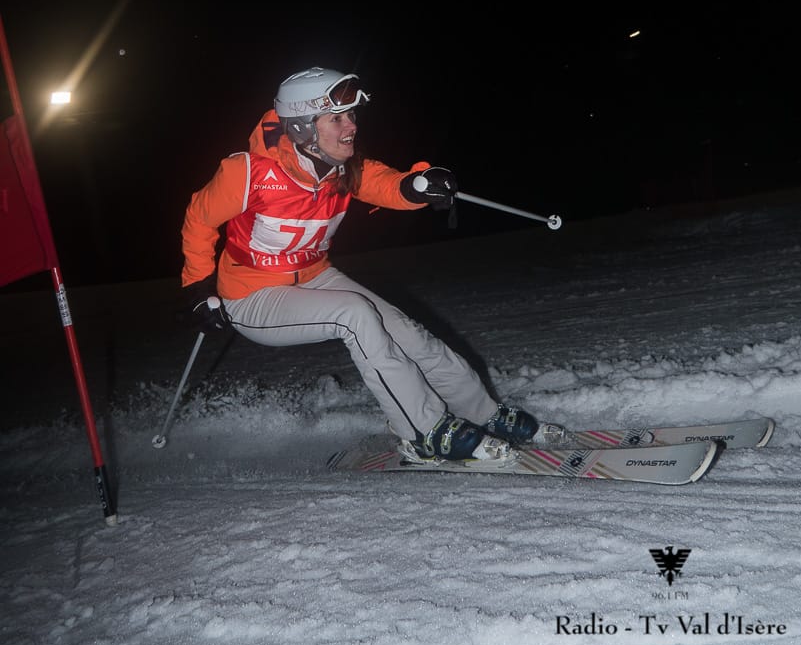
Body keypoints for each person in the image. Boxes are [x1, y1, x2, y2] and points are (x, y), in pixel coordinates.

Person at [180, 66, 545, 463]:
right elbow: (199, 217)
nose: (350, 126)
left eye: (351, 115)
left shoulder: (342, 167)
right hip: (251, 294)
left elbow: (385, 183)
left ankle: (484, 413)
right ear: (302, 127)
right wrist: (198, 287)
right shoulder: (248, 173)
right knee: (354, 315)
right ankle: (421, 431)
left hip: (315, 275)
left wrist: (418, 185)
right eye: (336, 119)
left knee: (407, 333)